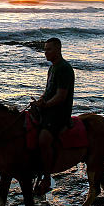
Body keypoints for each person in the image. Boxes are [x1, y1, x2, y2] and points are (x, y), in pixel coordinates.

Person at [31, 37, 75, 196]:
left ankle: (47, 177)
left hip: (59, 113)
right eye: (45, 49)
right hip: (49, 109)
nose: (45, 52)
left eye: (49, 49)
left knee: (43, 139)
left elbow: (61, 96)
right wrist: (40, 101)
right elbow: (48, 91)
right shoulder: (52, 68)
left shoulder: (64, 68)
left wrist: (46, 105)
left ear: (58, 50)